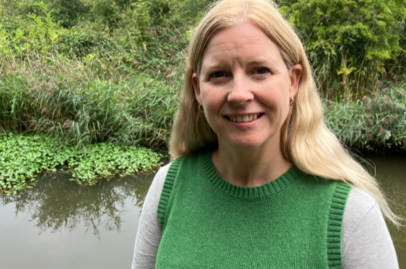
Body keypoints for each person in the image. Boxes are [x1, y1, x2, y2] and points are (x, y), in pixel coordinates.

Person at [132, 0, 400, 267]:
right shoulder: (168, 188)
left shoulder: (351, 215)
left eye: (260, 71)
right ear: (198, 89)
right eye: (219, 74)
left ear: (293, 81)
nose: (239, 94)